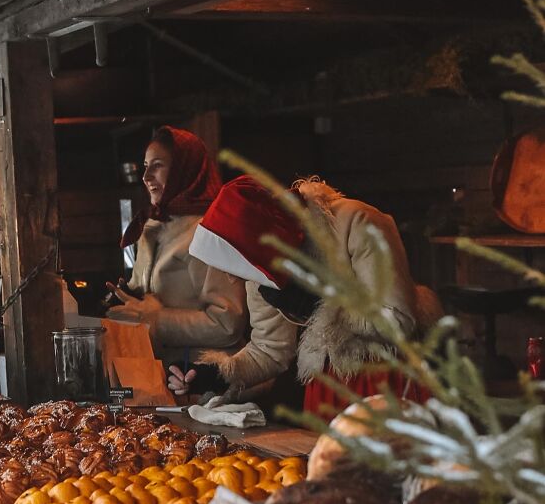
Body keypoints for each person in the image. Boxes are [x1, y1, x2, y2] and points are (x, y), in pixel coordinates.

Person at [169, 175, 442, 414]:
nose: (232, 278)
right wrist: (219, 374)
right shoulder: (260, 264)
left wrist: (317, 308)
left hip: (386, 381)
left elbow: (397, 318)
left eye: (232, 266)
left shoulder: (358, 222)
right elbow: (270, 350)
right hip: (326, 387)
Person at [106, 126, 246, 368]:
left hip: (204, 376)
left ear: (184, 170)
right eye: (145, 166)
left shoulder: (208, 233)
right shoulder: (153, 227)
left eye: (158, 165)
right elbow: (152, 300)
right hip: (160, 373)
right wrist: (127, 299)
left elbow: (228, 323)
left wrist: (155, 319)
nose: (146, 176)